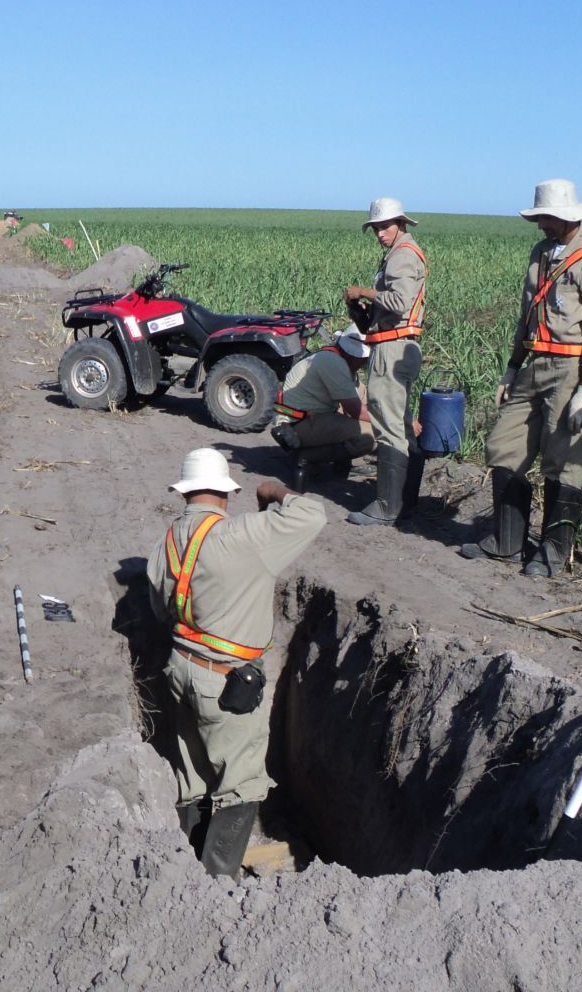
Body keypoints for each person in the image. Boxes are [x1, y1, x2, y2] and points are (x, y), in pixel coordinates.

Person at [148, 449, 326, 878]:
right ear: (227, 492)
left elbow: (159, 610)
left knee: (193, 775)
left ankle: (189, 865)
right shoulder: (243, 536)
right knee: (242, 783)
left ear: (185, 493)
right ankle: (215, 882)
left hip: (180, 669)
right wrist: (275, 491)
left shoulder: (167, 540)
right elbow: (313, 514)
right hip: (225, 682)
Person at [460, 179, 582, 577]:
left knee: (563, 459)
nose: (540, 224)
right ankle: (507, 542)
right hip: (534, 364)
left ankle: (552, 552)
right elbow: (526, 315)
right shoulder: (541, 253)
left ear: (565, 216)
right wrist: (512, 368)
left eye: (544, 217)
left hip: (570, 367)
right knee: (503, 445)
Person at [343, 198, 428, 527]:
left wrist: (364, 291)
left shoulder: (403, 255)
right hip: (395, 344)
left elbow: (399, 300)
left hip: (393, 349)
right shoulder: (399, 253)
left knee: (389, 426)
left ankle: (387, 506)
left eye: (385, 226)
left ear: (401, 224)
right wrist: (360, 307)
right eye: (376, 227)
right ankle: (404, 502)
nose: (380, 232)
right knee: (402, 424)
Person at [270, 325, 375, 490]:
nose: (365, 363)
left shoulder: (338, 360)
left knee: (361, 394)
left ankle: (340, 462)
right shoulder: (332, 362)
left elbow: (361, 403)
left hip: (308, 417)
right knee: (370, 436)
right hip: (294, 425)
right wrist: (395, 422)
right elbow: (356, 411)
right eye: (365, 358)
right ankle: (306, 457)